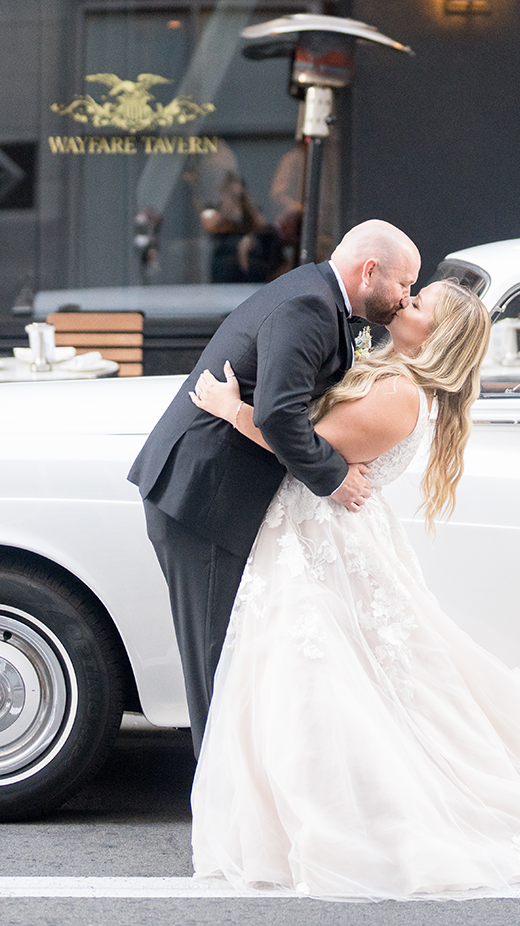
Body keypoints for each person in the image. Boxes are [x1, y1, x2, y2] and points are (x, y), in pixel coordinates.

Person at [184, 280, 520, 899]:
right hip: (309, 533)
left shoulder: (401, 394)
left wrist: (232, 411)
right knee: (307, 677)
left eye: (418, 304)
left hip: (323, 544)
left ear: (438, 335)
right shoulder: (387, 372)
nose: (405, 304)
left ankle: (348, 821)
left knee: (327, 677)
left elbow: (305, 450)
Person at [128, 220, 421, 753]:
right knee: (216, 659)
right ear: (369, 271)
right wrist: (334, 479)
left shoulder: (320, 299)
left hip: (218, 490)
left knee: (235, 655)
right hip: (203, 497)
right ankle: (219, 807)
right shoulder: (309, 305)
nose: (406, 298)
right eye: (404, 285)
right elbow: (280, 413)